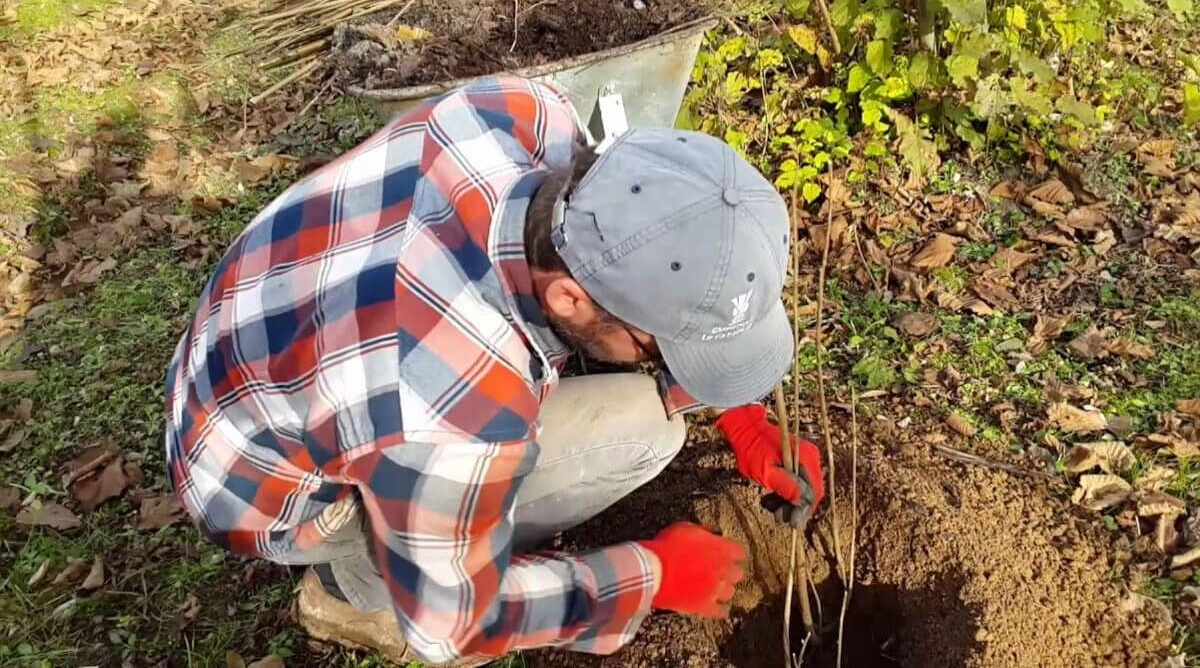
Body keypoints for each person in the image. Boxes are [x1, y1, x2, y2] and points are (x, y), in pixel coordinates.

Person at [163, 76, 825, 666]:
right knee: (648, 432)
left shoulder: (525, 112)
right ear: (569, 298)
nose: (663, 364)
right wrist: (650, 573)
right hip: (261, 487)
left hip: (253, 346)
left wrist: (738, 413)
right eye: (660, 349)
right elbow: (454, 624)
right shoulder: (446, 402)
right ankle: (352, 589)